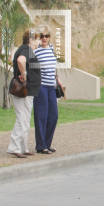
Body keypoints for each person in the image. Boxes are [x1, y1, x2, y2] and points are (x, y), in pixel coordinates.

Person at [7, 30, 42, 158]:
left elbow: (16, 62)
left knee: (25, 119)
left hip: (28, 90)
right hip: (24, 90)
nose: (39, 41)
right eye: (38, 39)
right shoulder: (26, 49)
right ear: (31, 40)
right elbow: (21, 61)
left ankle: (23, 147)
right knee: (22, 118)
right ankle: (14, 147)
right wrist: (24, 75)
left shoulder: (24, 49)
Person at [34, 24, 63, 155]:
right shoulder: (35, 50)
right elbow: (31, 68)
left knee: (54, 115)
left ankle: (47, 143)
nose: (44, 38)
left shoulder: (51, 48)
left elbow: (53, 67)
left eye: (47, 35)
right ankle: (41, 146)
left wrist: (57, 78)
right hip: (40, 87)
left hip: (51, 86)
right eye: (41, 36)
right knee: (41, 115)